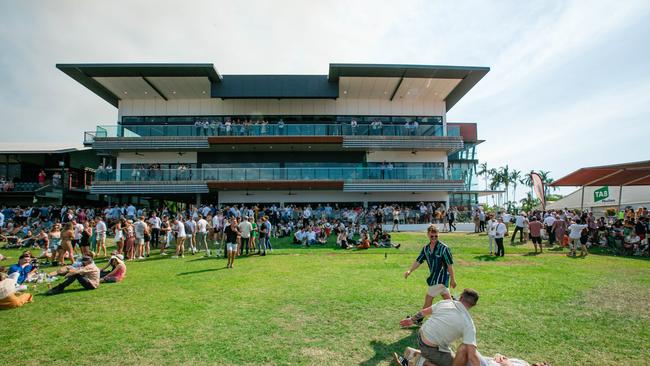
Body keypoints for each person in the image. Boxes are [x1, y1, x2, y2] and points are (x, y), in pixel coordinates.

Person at [397, 289, 480, 366]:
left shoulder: (446, 302)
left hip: (420, 337)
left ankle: (413, 353)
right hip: (431, 348)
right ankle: (419, 362)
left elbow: (424, 312)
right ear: (473, 305)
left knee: (456, 359)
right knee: (457, 364)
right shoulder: (469, 324)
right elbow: (472, 355)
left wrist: (411, 320)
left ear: (461, 297)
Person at [404, 225, 456, 309]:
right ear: (428, 235)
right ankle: (458, 311)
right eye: (432, 236)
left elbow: (450, 265)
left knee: (428, 299)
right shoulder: (425, 249)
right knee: (449, 303)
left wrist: (453, 279)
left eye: (436, 236)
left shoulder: (444, 249)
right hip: (434, 278)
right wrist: (410, 271)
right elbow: (418, 261)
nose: (434, 238)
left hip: (440, 279)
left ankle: (418, 319)